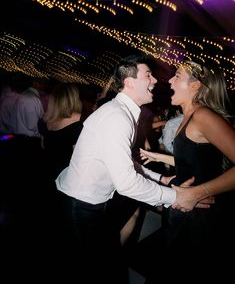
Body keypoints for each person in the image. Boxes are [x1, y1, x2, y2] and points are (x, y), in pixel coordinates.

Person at [55, 54, 208, 284]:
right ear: (129, 82)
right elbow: (126, 183)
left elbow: (124, 163)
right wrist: (175, 197)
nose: (155, 80)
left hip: (89, 203)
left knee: (107, 266)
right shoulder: (117, 117)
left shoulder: (122, 112)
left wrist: (160, 179)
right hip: (80, 206)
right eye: (148, 75)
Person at [140, 59, 235, 278]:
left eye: (177, 76)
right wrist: (158, 155)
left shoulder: (203, 116)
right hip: (183, 209)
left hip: (200, 217)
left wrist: (197, 193)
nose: (170, 80)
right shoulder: (188, 117)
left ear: (195, 85)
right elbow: (194, 161)